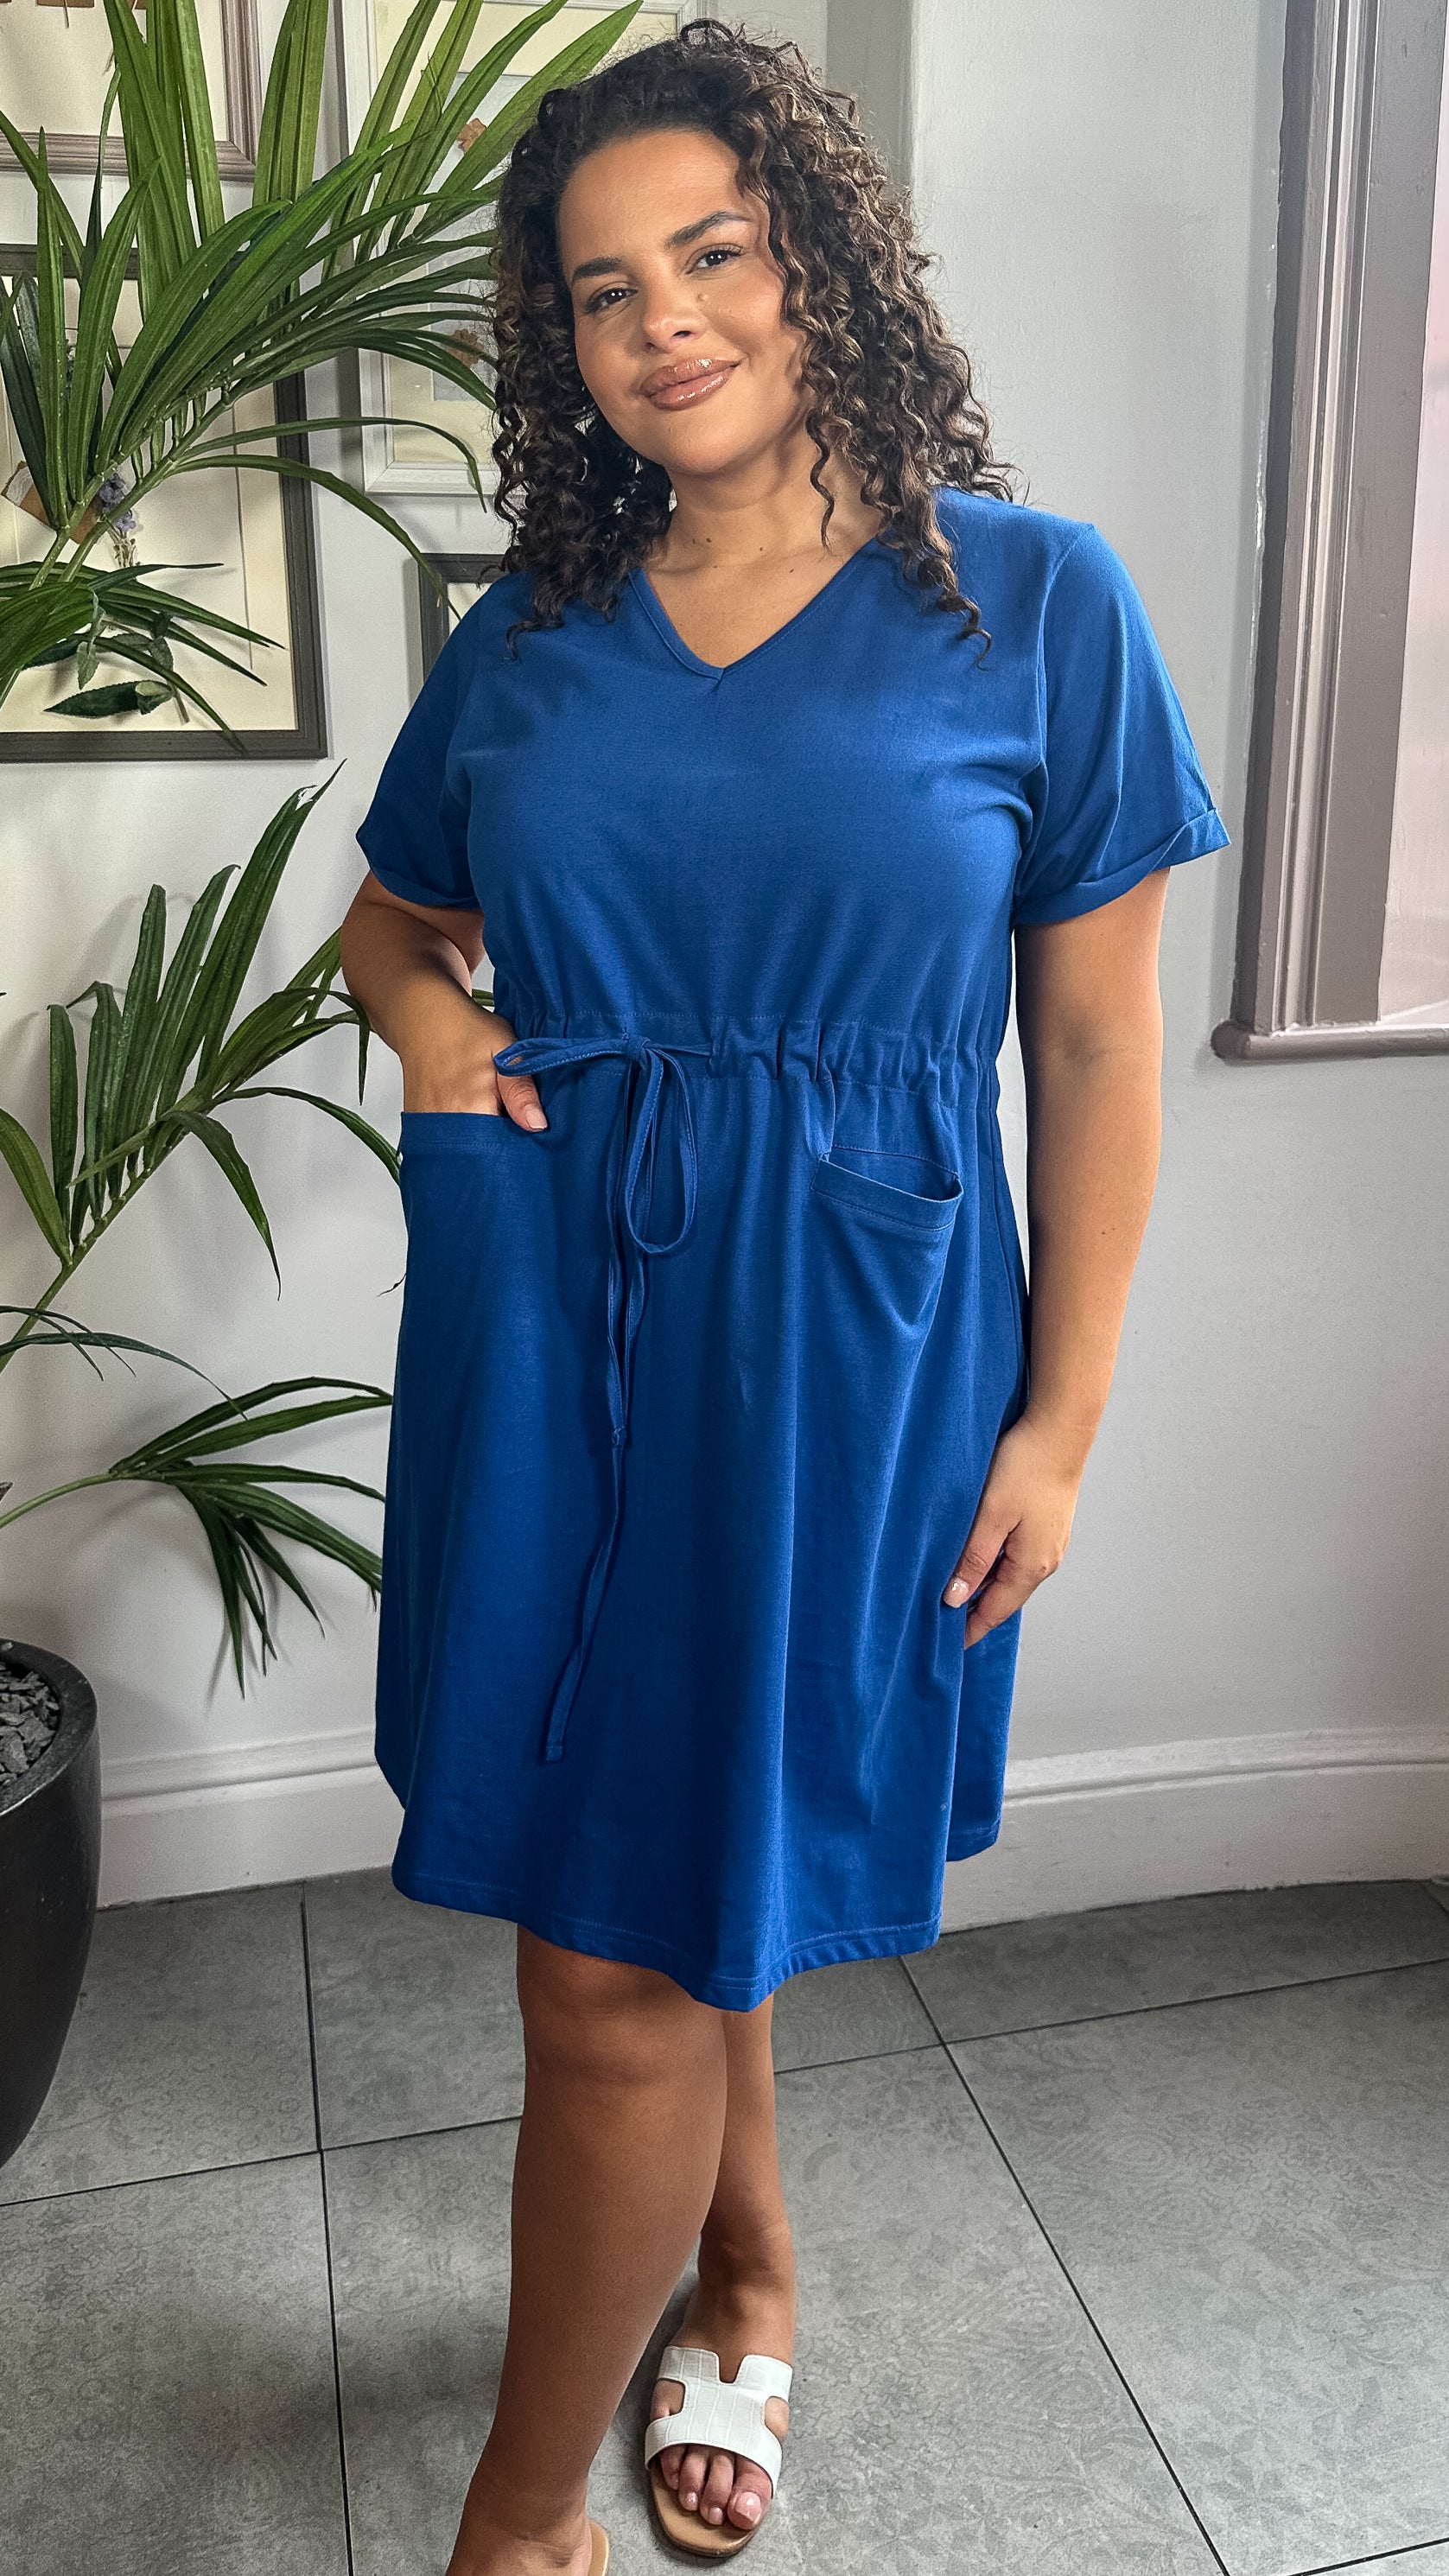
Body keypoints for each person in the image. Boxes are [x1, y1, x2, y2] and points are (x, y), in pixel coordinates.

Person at [339, 22, 1230, 2575]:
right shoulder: (537, 627)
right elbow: (389, 926)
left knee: (632, 1941)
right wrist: (442, 1038)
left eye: (714, 253)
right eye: (603, 290)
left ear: (824, 256)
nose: (668, 324)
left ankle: (523, 2515)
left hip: (852, 1343)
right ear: (562, 344)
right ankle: (731, 2275)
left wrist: (1062, 1422)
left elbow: (1095, 1041)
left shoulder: (1032, 603)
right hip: (549, 1322)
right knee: (630, 1893)